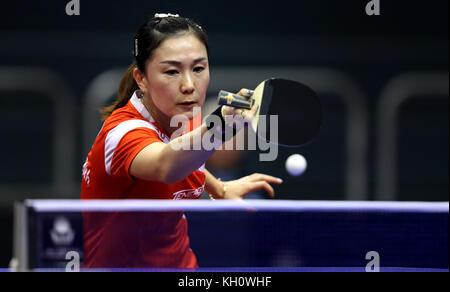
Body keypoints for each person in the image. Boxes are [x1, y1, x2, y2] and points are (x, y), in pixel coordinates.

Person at [81, 13, 282, 269]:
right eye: (172, 71)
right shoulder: (122, 134)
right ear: (141, 78)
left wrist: (219, 189)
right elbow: (167, 164)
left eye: (198, 68)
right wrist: (221, 123)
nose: (189, 85)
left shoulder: (182, 117)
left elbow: (188, 158)